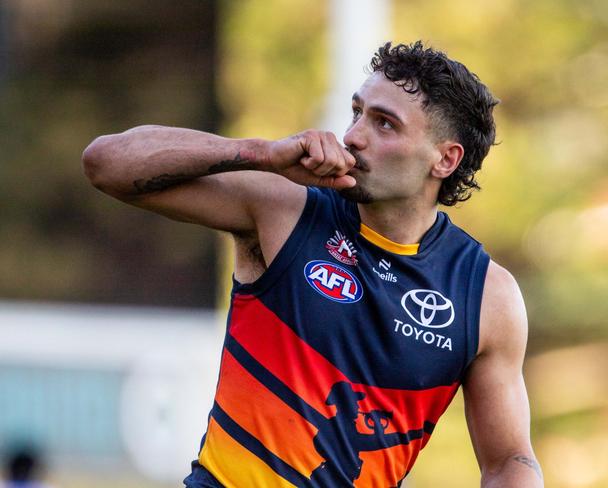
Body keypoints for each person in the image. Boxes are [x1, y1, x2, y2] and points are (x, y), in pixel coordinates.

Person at [82, 41, 542, 487]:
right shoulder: (285, 209)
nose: (353, 136)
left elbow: (509, 462)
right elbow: (105, 163)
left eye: (384, 124)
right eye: (358, 112)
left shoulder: (485, 296)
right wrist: (262, 155)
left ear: (445, 159)